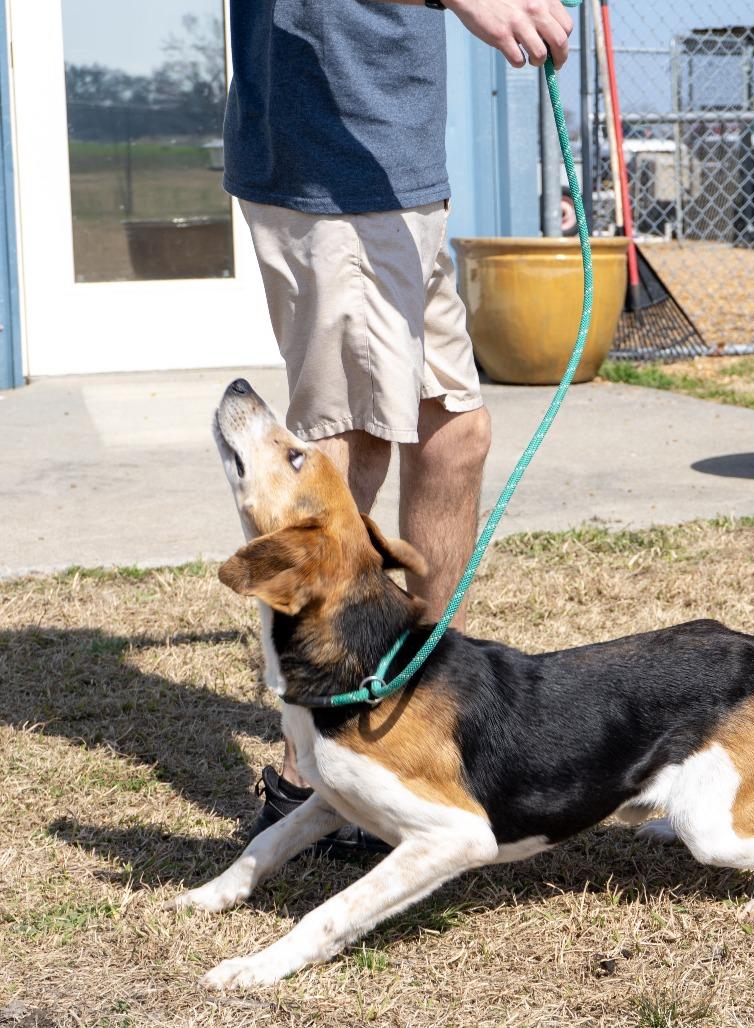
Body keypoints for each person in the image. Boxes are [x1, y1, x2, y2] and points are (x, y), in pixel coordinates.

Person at [224, 0, 575, 854]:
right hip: (332, 158)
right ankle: (312, 771)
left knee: (455, 437)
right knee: (351, 442)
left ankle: (408, 696)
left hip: (399, 165)